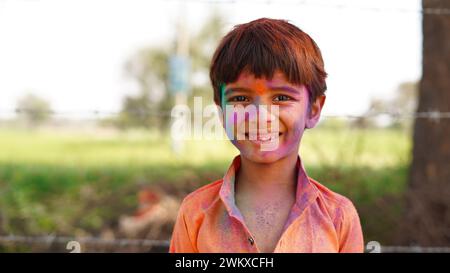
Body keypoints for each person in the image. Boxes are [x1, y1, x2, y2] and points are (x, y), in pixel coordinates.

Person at [169, 18, 364, 253]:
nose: (260, 116)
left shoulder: (338, 217)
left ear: (313, 109)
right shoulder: (196, 213)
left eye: (281, 98)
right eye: (240, 99)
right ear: (221, 111)